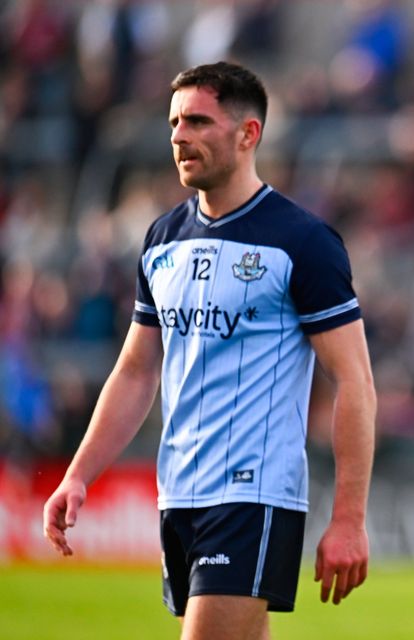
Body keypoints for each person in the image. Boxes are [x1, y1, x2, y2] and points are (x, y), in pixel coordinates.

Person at [43, 61, 376, 640]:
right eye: (174, 122)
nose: (178, 136)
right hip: (179, 492)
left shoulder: (300, 241)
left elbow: (354, 381)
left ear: (249, 134)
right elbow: (136, 369)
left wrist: (348, 517)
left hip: (254, 491)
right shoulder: (162, 240)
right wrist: (78, 473)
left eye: (197, 121)